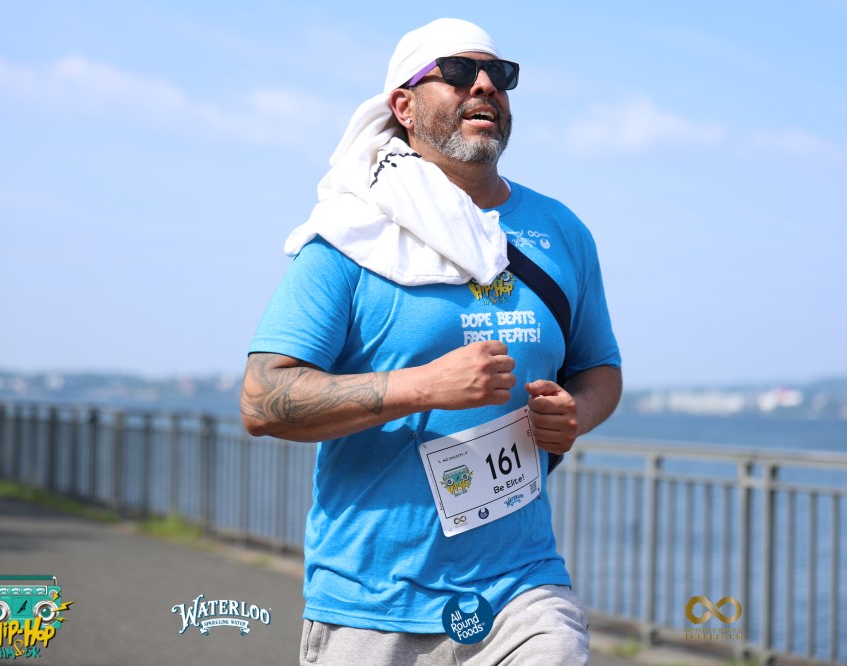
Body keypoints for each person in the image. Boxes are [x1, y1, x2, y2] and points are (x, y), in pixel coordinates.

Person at [241, 17, 622, 665]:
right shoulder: (351, 235)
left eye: (499, 74)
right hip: (372, 601)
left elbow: (600, 369)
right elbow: (262, 398)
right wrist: (424, 386)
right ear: (404, 106)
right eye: (458, 72)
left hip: (520, 588)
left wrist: (576, 414)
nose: (485, 85)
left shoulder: (561, 232)